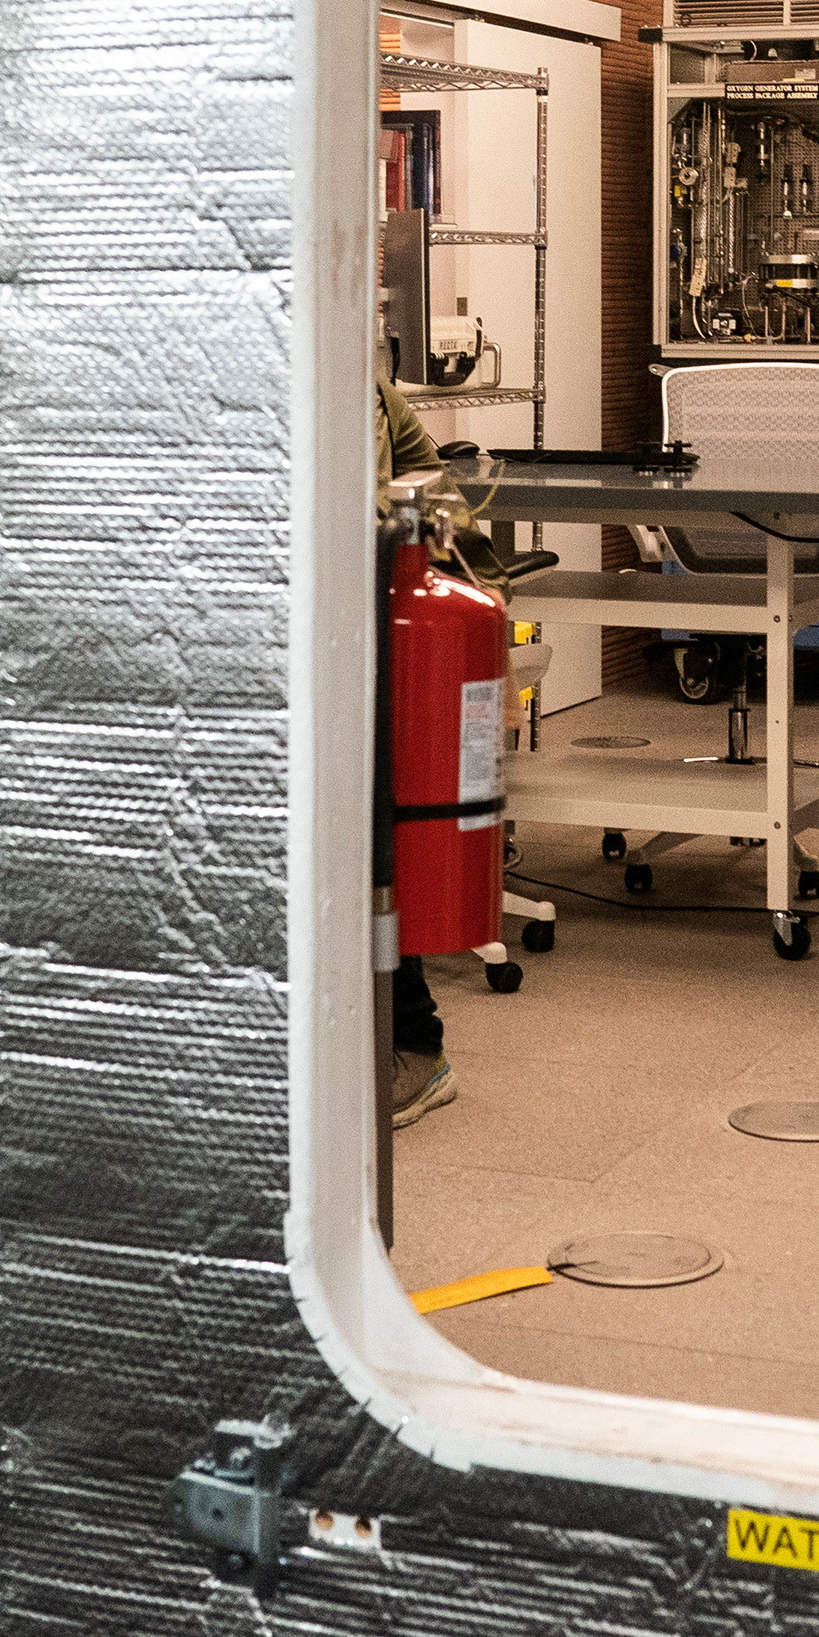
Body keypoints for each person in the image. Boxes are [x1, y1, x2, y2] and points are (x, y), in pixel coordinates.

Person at [380, 379, 457, 1128]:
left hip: (367, 612)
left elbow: (424, 478)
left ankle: (417, 1046)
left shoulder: (348, 374)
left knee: (369, 844)